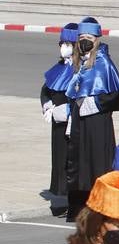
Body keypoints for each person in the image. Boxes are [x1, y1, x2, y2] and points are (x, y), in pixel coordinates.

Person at [65, 18, 119, 220]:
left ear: (97, 39)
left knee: (96, 161)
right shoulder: (78, 63)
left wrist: (91, 104)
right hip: (79, 121)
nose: (84, 41)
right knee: (78, 161)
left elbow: (113, 94)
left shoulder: (103, 63)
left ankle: (101, 206)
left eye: (88, 38)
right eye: (81, 38)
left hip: (97, 121)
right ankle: (79, 205)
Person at [41, 23, 78, 210]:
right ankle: (60, 190)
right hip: (57, 122)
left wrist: (69, 112)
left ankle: (72, 193)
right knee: (59, 155)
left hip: (72, 122)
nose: (62, 47)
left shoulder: (81, 69)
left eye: (67, 43)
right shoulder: (58, 67)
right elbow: (46, 90)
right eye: (61, 43)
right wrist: (47, 105)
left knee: (72, 158)